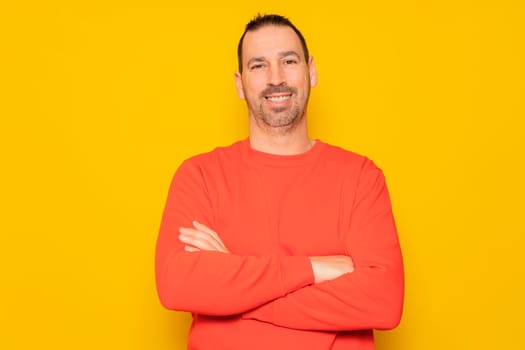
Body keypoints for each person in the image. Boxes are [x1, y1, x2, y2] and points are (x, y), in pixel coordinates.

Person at [155, 14, 404, 350]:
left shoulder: (360, 177)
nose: (276, 78)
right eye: (258, 66)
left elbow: (383, 301)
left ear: (310, 71)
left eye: (288, 61)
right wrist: (313, 269)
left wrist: (236, 291)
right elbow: (178, 284)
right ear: (240, 84)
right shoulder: (199, 175)